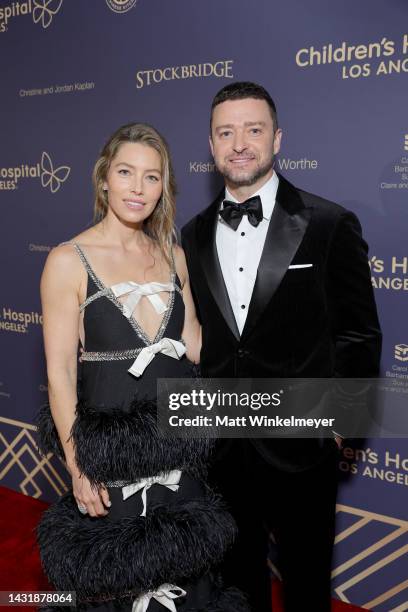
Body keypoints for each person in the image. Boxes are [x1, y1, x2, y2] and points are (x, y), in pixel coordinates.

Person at [181, 82, 382, 611]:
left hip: (303, 444)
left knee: (307, 583)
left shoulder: (329, 224)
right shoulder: (192, 235)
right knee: (236, 584)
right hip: (222, 444)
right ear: (211, 144)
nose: (240, 143)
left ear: (277, 138)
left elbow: (359, 333)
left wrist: (344, 427)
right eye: (226, 132)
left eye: (254, 129)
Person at [36, 123, 249, 611]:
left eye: (152, 177)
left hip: (179, 447)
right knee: (113, 582)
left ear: (163, 187)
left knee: (188, 576)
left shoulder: (172, 255)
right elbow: (61, 376)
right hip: (110, 457)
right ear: (103, 178)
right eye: (126, 172)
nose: (138, 188)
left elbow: (195, 342)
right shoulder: (68, 260)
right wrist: (77, 466)